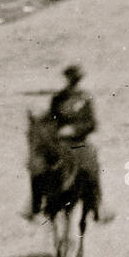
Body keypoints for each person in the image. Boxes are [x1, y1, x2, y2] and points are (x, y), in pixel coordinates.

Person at [48, 64, 108, 221]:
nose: (72, 82)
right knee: (41, 164)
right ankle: (35, 202)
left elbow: (92, 123)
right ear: (66, 79)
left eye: (75, 79)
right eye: (70, 79)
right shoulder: (57, 98)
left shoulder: (85, 98)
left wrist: (75, 130)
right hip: (60, 143)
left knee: (91, 161)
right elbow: (51, 120)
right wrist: (57, 131)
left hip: (79, 142)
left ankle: (99, 205)